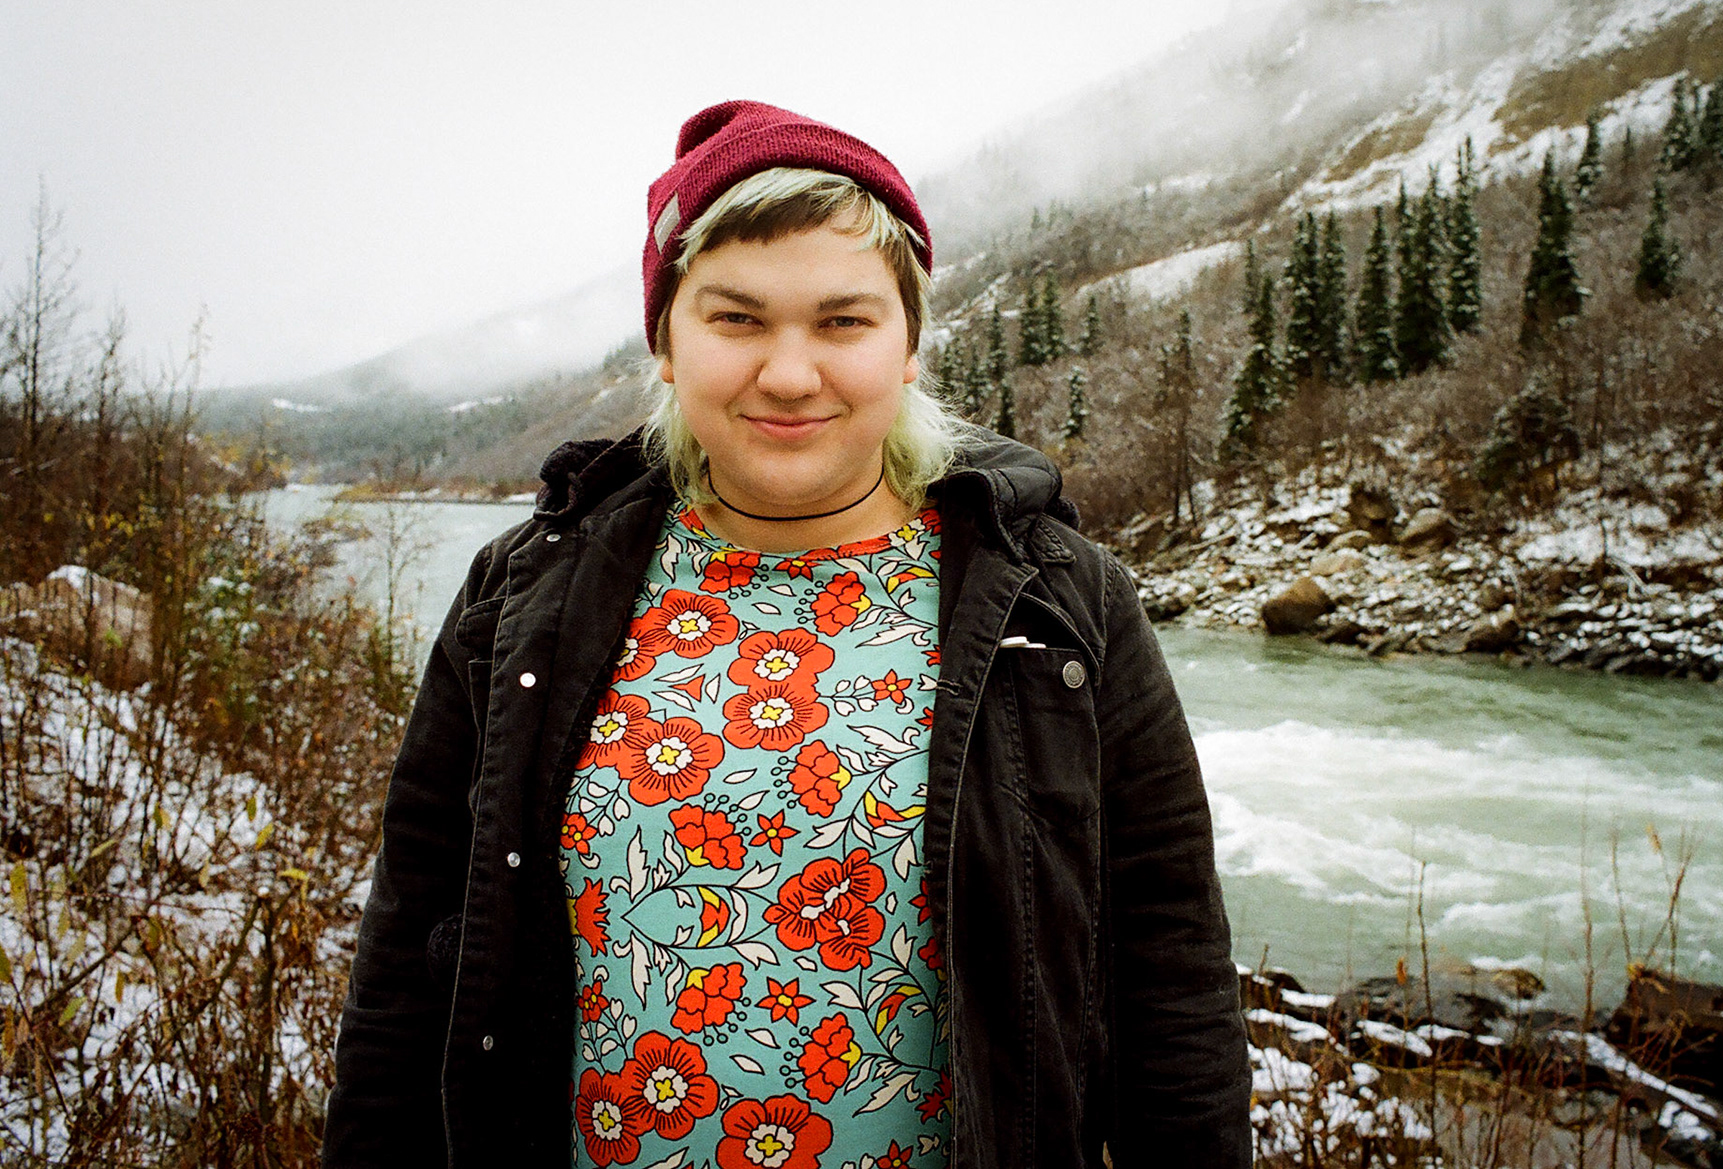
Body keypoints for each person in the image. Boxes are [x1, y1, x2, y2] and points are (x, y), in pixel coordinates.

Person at [323, 101, 1248, 1169]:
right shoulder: (525, 594)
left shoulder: (1060, 601)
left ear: (909, 345)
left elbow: (1172, 981)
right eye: (738, 319)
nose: (792, 373)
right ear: (666, 341)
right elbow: (408, 969)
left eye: (844, 321)